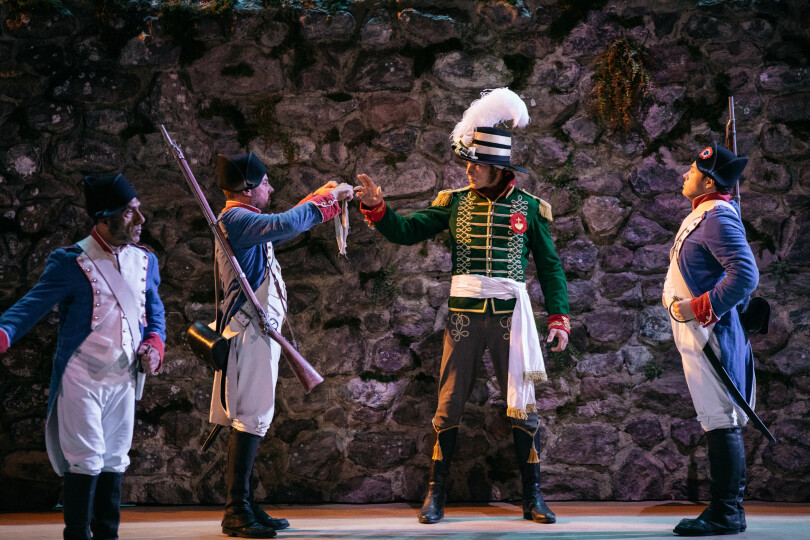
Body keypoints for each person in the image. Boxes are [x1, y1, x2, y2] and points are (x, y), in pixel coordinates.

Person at [355, 88, 570, 525]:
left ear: (497, 168)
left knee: (523, 404)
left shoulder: (529, 209)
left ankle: (533, 496)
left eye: (476, 164)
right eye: (468, 164)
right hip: (465, 317)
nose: (468, 170)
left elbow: (550, 267)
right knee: (449, 402)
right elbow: (406, 230)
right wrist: (378, 208)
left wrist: (559, 318)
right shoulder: (453, 203)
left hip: (511, 317)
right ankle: (436, 494)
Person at [0, 173, 166, 540]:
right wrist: (4, 332)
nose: (141, 219)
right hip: (81, 377)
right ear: (104, 218)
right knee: (86, 458)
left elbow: (155, 312)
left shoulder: (145, 261)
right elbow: (30, 306)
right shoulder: (70, 262)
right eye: (129, 212)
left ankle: (107, 536)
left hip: (124, 378)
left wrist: (155, 343)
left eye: (138, 210)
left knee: (115, 458)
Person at [210, 152, 353, 539]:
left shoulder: (246, 218)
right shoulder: (236, 219)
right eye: (265, 183)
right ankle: (235, 510)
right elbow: (286, 223)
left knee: (255, 417)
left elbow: (281, 224)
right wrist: (326, 200)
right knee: (250, 419)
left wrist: (318, 197)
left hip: (259, 331)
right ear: (248, 189)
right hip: (249, 330)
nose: (271, 188)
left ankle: (244, 502)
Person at [664, 141, 758, 536]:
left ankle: (726, 512)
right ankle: (725, 510)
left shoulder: (717, 217)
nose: (685, 174)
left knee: (720, 418)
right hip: (697, 333)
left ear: (707, 181)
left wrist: (702, 307)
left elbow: (745, 274)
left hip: (709, 333)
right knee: (715, 417)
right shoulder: (704, 214)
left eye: (692, 170)